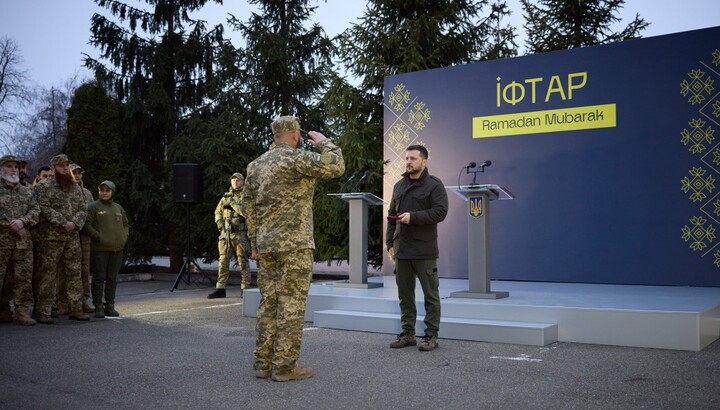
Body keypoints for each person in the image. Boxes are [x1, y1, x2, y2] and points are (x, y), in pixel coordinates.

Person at [244, 115, 344, 382]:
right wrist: (325, 143)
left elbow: (249, 209)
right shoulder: (296, 158)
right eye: (299, 133)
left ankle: (263, 364)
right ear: (295, 134)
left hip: (266, 246)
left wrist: (254, 244)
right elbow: (336, 167)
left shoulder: (255, 166)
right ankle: (285, 367)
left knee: (268, 304)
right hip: (295, 245)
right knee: (291, 305)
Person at [386, 144, 448, 351]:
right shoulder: (399, 186)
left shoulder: (433, 185)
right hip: (402, 249)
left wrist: (413, 217)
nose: (409, 162)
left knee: (430, 295)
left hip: (424, 250)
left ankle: (431, 336)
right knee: (405, 295)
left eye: (413, 158)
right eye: (407, 159)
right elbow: (391, 218)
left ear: (424, 161)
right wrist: (389, 244)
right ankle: (407, 334)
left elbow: (440, 213)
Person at [34, 154, 89, 323]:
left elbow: (83, 208)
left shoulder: (75, 187)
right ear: (54, 168)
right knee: (47, 273)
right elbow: (42, 207)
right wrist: (62, 222)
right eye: (61, 166)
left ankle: (75, 308)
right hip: (51, 237)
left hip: (72, 237)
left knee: (74, 272)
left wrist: (74, 223)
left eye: (67, 165)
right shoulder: (44, 186)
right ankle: (43, 311)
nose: (66, 168)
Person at [0, 155, 39, 326]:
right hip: (2, 242)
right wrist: (10, 224)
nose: (14, 169)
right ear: (1, 169)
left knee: (23, 278)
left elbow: (36, 210)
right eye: (9, 166)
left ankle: (22, 311)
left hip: (23, 243)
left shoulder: (27, 191)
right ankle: (2, 310)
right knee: (4, 278)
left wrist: (23, 221)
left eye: (16, 166)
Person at [85, 180, 129, 318]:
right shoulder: (93, 207)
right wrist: (98, 237)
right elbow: (86, 225)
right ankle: (98, 306)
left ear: (112, 192)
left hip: (117, 249)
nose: (104, 193)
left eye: (107, 190)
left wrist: (124, 236)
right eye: (102, 190)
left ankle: (110, 305)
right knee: (99, 278)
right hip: (99, 249)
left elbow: (126, 224)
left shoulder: (118, 208)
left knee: (112, 278)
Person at [208, 172, 252, 299]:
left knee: (242, 261)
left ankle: (245, 288)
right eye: (233, 180)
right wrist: (220, 224)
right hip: (226, 234)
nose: (235, 182)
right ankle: (220, 288)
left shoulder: (246, 196)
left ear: (242, 182)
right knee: (223, 261)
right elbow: (217, 211)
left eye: (237, 180)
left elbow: (246, 212)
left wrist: (233, 204)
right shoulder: (226, 196)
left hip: (240, 234)